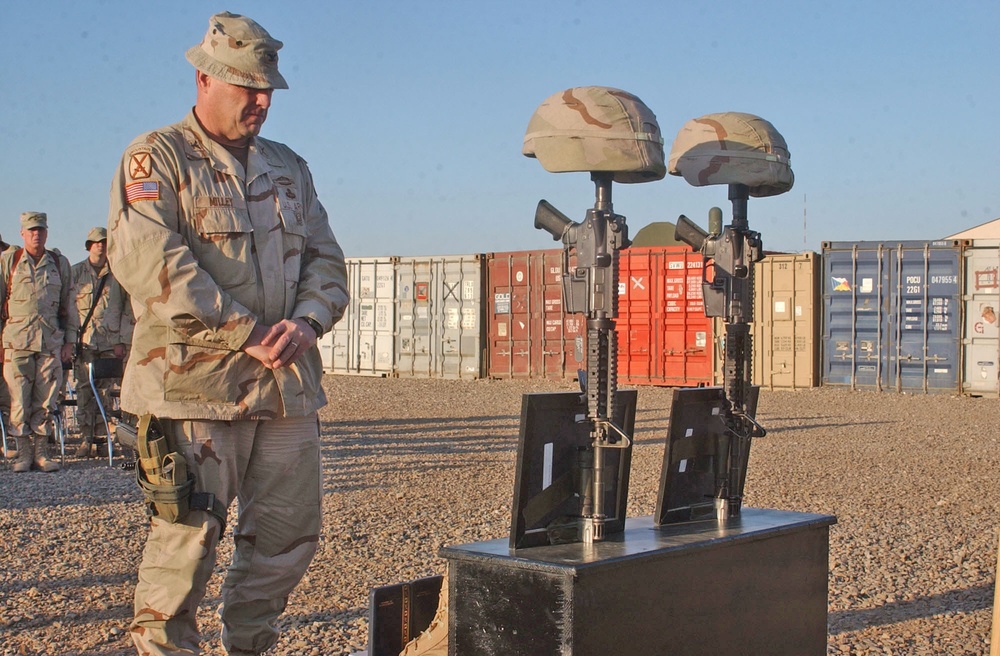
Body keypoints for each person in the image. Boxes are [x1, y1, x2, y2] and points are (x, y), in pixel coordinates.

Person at [107, 12, 348, 656]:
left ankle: (248, 647)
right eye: (248, 86)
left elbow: (326, 257)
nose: (262, 100)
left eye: (268, 87)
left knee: (286, 541)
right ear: (204, 77)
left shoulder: (289, 168)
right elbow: (150, 264)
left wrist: (307, 321)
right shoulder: (156, 157)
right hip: (194, 389)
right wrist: (245, 332)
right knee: (185, 546)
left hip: (285, 390)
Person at [0, 212, 78, 473]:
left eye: (41, 230)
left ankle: (42, 453)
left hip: (50, 341)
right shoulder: (9, 261)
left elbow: (69, 305)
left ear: (47, 233)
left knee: (46, 400)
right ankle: (23, 454)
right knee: (19, 399)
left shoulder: (59, 262)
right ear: (22, 233)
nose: (37, 234)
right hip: (17, 342)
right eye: (32, 230)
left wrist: (70, 342)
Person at [70, 226, 133, 457]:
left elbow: (122, 309)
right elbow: (67, 307)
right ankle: (86, 439)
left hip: (109, 342)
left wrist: (119, 340)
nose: (100, 245)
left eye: (104, 242)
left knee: (107, 392)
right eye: (96, 242)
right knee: (85, 392)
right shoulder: (76, 272)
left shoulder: (117, 272)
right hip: (84, 342)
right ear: (88, 246)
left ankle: (105, 438)